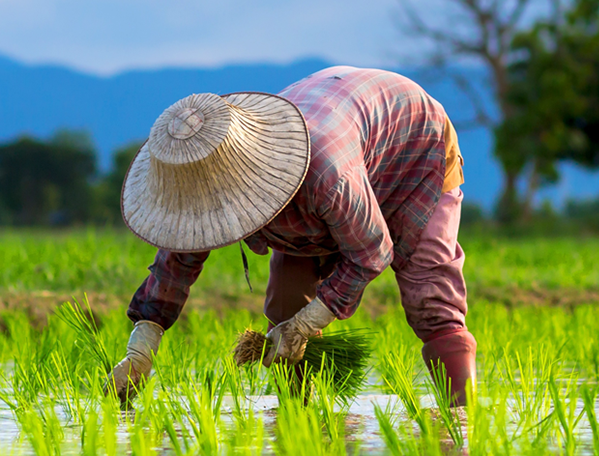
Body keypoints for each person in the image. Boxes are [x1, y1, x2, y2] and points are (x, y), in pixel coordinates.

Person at [107, 66, 476, 404]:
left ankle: (462, 420)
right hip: (334, 146)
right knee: (284, 306)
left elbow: (371, 252)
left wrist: (307, 324)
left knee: (429, 292)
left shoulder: (325, 176)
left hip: (411, 141)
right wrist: (143, 345)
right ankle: (297, 419)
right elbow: (179, 257)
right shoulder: (211, 171)